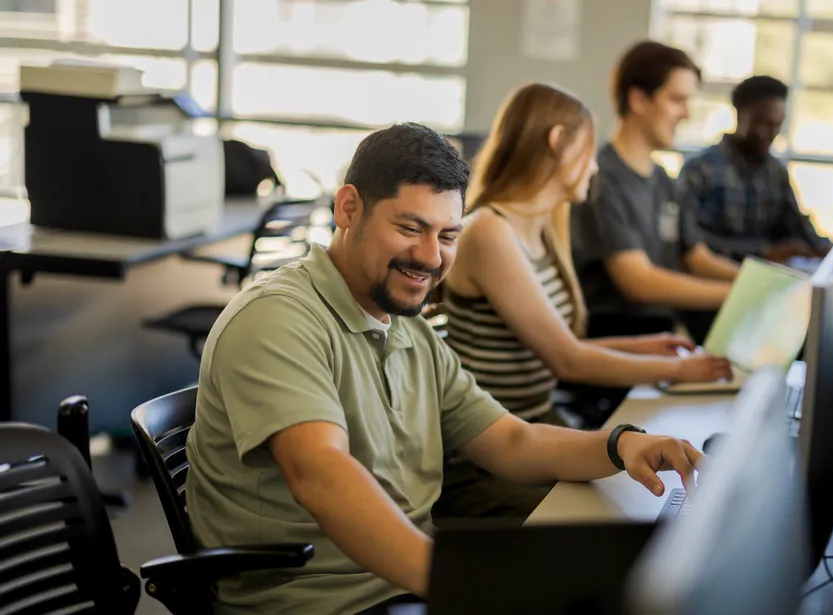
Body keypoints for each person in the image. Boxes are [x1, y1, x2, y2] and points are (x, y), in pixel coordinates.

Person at [185, 122, 706, 615]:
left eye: (448, 235)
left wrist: (619, 445)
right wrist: (464, 586)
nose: (431, 257)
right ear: (348, 208)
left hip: (399, 584)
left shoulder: (405, 325)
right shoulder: (277, 319)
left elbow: (510, 442)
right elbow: (322, 476)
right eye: (410, 228)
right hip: (324, 601)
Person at [437, 83, 731, 446]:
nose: (593, 167)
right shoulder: (489, 231)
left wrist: (643, 346)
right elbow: (567, 360)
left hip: (534, 423)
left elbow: (560, 343)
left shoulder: (543, 225)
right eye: (588, 152)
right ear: (558, 140)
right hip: (494, 442)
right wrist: (680, 369)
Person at [570, 40, 741, 346]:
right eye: (677, 100)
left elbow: (697, 258)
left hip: (664, 334)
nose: (686, 114)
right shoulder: (601, 179)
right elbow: (639, 281)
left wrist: (760, 281)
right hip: (619, 342)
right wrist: (740, 295)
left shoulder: (663, 179)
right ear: (638, 99)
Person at [679, 75, 832, 263]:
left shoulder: (775, 172)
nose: (772, 134)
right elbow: (691, 242)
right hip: (717, 276)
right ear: (740, 115)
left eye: (778, 125)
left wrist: (829, 249)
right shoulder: (700, 170)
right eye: (764, 124)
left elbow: (800, 228)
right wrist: (763, 252)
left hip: (770, 275)